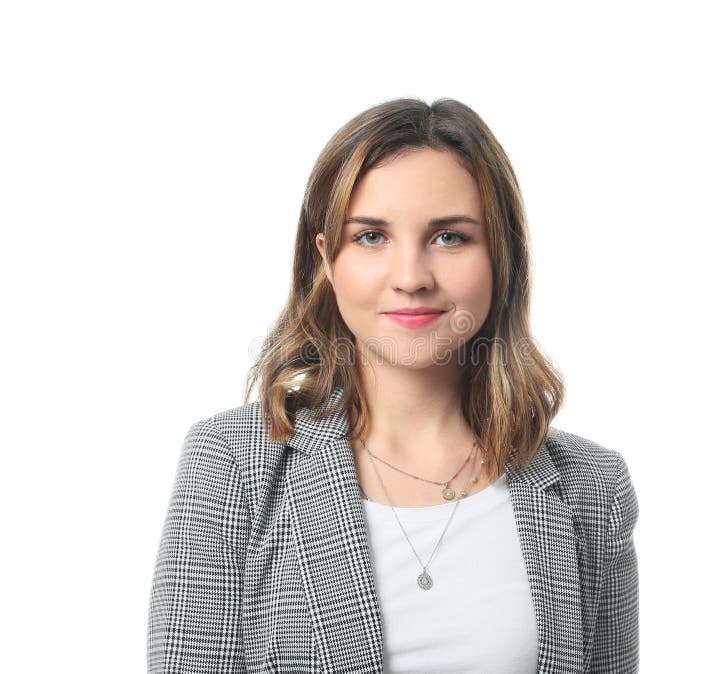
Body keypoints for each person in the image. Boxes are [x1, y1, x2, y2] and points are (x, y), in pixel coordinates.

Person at [147, 97, 639, 673]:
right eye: (372, 237)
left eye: (450, 237)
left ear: (501, 256)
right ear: (327, 261)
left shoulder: (590, 488)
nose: (411, 278)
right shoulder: (233, 465)